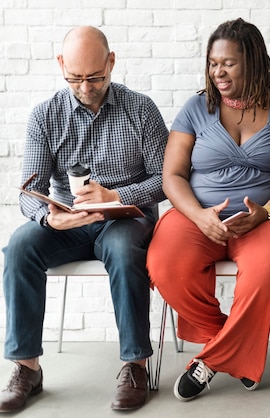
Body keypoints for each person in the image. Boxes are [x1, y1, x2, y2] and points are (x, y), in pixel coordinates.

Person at [0, 26, 168, 412]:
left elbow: (166, 181)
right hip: (70, 221)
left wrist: (116, 196)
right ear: (61, 65)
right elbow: (29, 190)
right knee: (20, 246)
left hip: (126, 219)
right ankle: (27, 368)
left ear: (112, 62)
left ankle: (135, 365)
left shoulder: (141, 109)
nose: (87, 87)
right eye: (75, 78)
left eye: (95, 77)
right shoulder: (45, 116)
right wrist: (47, 218)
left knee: (125, 251)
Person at [145, 18, 270, 401]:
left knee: (265, 272)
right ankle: (238, 348)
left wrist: (266, 212)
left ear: (252, 61)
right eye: (212, 63)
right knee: (166, 265)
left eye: (228, 63)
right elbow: (172, 175)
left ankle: (211, 361)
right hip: (197, 215)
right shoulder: (195, 109)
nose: (217, 72)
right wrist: (200, 216)